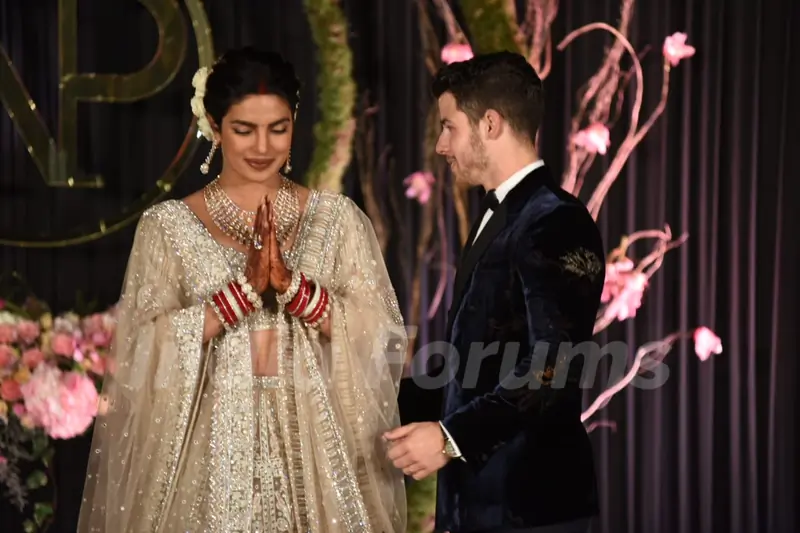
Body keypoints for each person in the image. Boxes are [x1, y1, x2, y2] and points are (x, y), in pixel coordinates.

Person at [77, 47, 407, 533]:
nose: (262, 146)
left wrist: (296, 291)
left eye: (277, 128)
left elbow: (383, 337)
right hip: (205, 470)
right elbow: (139, 352)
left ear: (294, 121)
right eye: (243, 129)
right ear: (213, 124)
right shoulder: (168, 228)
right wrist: (238, 296)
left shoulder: (338, 221)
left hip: (319, 469)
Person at [388, 52, 606, 533]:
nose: (441, 145)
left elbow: (553, 368)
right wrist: (369, 402)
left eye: (449, 127)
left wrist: (447, 439)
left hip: (533, 510)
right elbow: (472, 369)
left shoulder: (556, 220)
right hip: (476, 508)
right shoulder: (499, 217)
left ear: (490, 124)